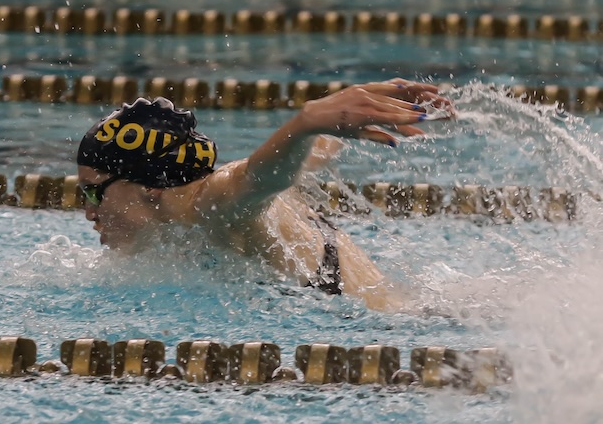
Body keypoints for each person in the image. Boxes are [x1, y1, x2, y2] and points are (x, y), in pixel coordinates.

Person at [77, 78, 453, 312]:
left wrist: (306, 121)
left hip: (384, 329)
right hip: (403, 309)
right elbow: (303, 157)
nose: (88, 213)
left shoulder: (211, 205)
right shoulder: (188, 214)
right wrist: (331, 119)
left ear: (150, 185)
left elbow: (260, 177)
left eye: (93, 194)